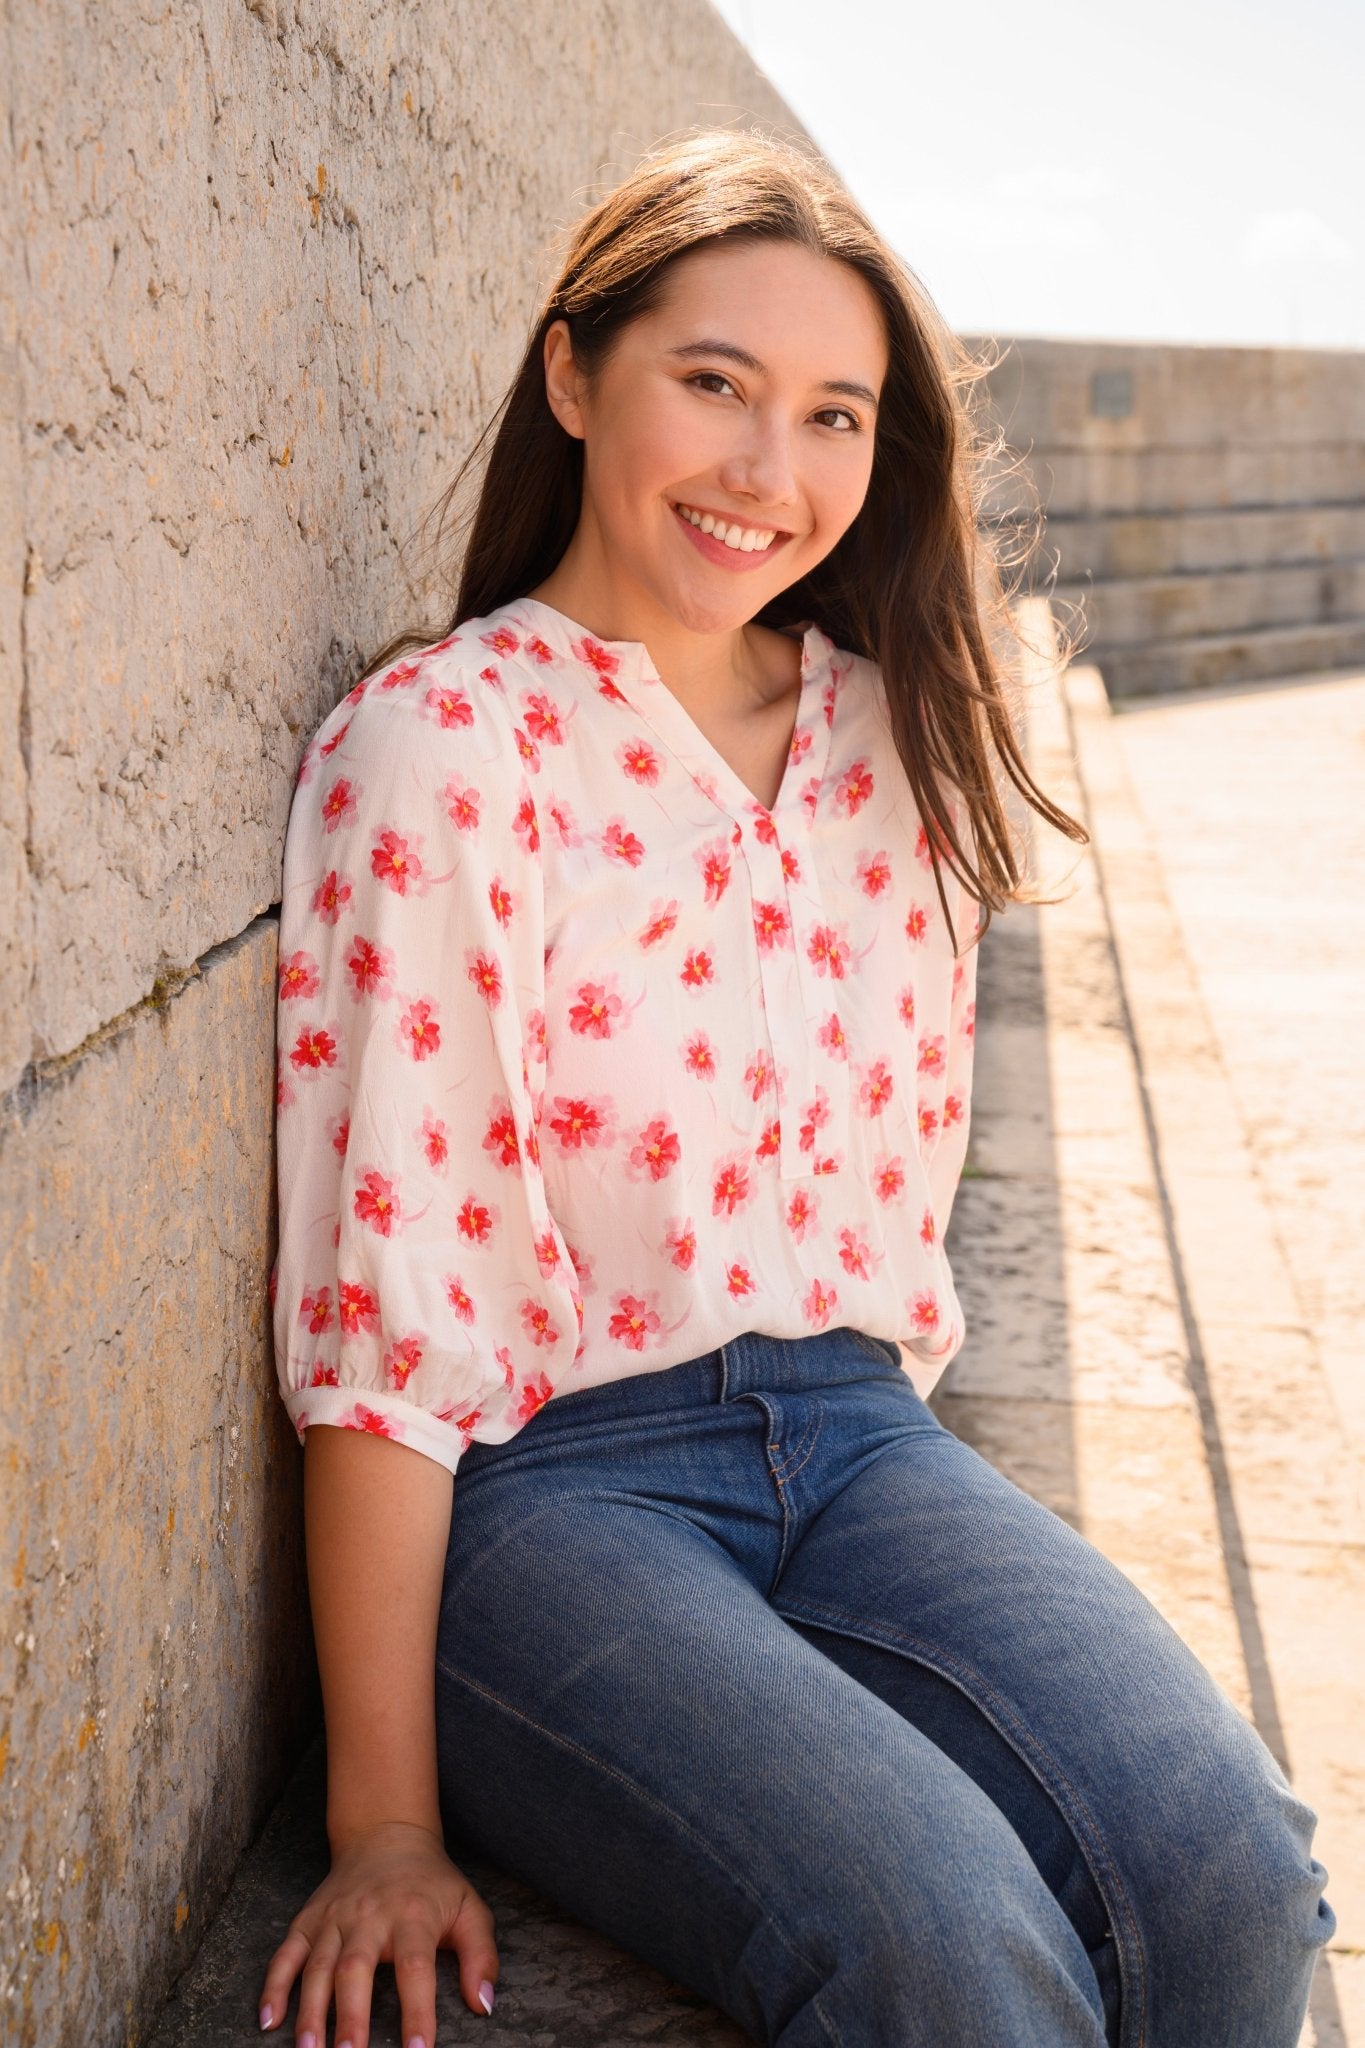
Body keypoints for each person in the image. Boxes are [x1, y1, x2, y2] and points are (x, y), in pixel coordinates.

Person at [259, 128, 1334, 2048]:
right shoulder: (448, 746)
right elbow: (384, 1306)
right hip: (548, 1493)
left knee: (1232, 1870)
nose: (772, 469)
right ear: (573, 374)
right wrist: (384, 1825)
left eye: (834, 413)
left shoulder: (892, 735)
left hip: (857, 1441)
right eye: (714, 383)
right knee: (944, 1943)